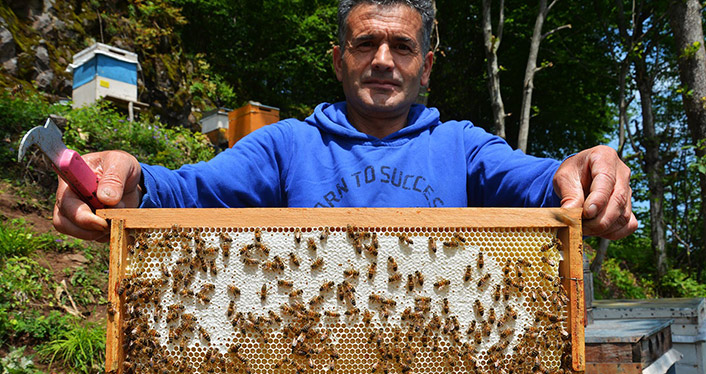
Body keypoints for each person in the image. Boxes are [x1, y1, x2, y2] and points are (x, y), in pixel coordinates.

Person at [53, 0, 638, 243]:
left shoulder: (464, 147)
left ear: (425, 67)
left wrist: (588, 168)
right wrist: (126, 175)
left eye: (402, 47)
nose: (383, 61)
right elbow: (183, 192)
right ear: (339, 60)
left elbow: (544, 182)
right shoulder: (285, 146)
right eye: (365, 45)